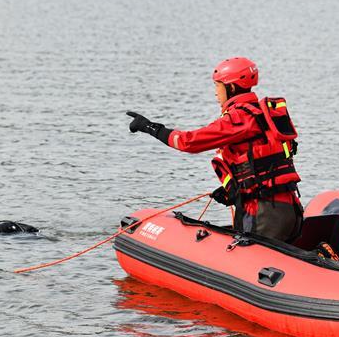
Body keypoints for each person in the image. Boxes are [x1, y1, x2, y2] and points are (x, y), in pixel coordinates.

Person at [126, 57, 304, 242]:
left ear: (231, 88)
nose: (215, 93)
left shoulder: (239, 118)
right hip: (289, 208)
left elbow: (188, 142)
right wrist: (233, 191)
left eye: (217, 86)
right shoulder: (262, 114)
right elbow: (261, 167)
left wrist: (150, 128)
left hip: (265, 213)